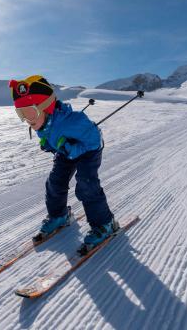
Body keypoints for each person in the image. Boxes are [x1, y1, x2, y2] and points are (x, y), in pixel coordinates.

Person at [9, 75, 118, 252]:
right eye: (21, 113)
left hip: (88, 151)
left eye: (29, 112)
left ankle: (105, 224)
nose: (27, 119)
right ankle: (59, 215)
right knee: (55, 182)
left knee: (86, 184)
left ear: (46, 107)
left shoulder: (74, 121)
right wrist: (49, 144)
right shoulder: (42, 121)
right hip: (65, 151)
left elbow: (94, 140)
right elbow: (50, 135)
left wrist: (72, 150)